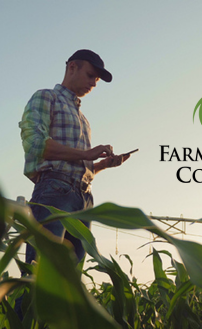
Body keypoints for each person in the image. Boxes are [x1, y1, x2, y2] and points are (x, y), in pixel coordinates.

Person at [19, 49, 130, 264]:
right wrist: (86, 153)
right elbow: (34, 144)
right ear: (72, 67)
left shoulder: (83, 119)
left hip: (83, 198)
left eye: (97, 79)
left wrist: (102, 165)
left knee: (69, 283)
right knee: (40, 273)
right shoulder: (46, 97)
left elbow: (75, 165)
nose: (94, 84)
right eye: (91, 76)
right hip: (54, 193)